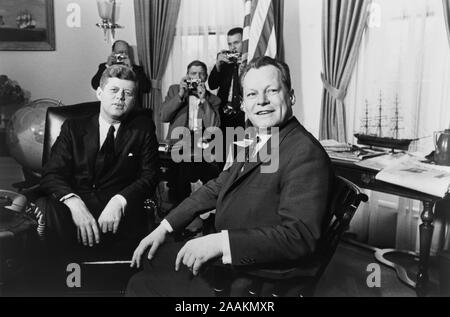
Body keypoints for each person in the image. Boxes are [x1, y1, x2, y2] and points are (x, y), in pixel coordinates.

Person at [126, 57, 334, 297]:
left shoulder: (304, 151)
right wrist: (165, 226)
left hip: (255, 279)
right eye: (252, 94)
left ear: (291, 97)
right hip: (233, 259)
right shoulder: (266, 138)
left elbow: (298, 237)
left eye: (272, 91)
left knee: (141, 284)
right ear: (244, 103)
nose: (262, 101)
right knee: (152, 257)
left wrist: (219, 243)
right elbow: (217, 186)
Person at [38, 65, 160, 258]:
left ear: (134, 100)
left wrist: (119, 201)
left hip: (119, 214)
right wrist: (74, 203)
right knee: (48, 209)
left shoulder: (143, 128)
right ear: (100, 93)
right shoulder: (73, 128)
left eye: (127, 93)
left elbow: (150, 175)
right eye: (114, 90)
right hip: (74, 209)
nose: (120, 97)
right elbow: (52, 173)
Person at [161, 60, 222, 204]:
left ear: (206, 77)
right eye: (193, 73)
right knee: (179, 178)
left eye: (201, 74)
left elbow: (214, 126)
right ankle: (179, 212)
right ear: (187, 76)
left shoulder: (214, 99)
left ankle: (208, 215)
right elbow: (164, 116)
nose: (197, 77)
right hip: (178, 143)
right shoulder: (174, 90)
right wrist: (180, 95)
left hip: (202, 145)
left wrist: (203, 100)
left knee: (212, 173)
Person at [91, 40, 151, 107]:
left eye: (125, 52)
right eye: (120, 52)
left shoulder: (136, 69)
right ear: (113, 53)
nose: (122, 55)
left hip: (132, 108)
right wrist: (107, 66)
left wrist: (131, 68)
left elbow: (146, 88)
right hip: (110, 107)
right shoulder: (104, 67)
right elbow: (95, 85)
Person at [208, 27, 246, 130]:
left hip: (243, 113)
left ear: (245, 42)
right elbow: (212, 85)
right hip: (224, 113)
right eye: (230, 44)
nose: (233, 47)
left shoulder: (250, 61)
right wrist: (218, 65)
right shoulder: (224, 61)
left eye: (236, 43)